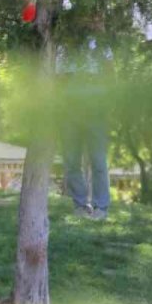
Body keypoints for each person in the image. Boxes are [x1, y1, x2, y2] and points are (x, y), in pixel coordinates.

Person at [57, 36, 113, 220]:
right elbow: (60, 78)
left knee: (98, 160)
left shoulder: (101, 44)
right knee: (72, 160)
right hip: (69, 108)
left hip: (96, 108)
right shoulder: (64, 45)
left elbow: (110, 74)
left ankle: (101, 207)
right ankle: (80, 205)